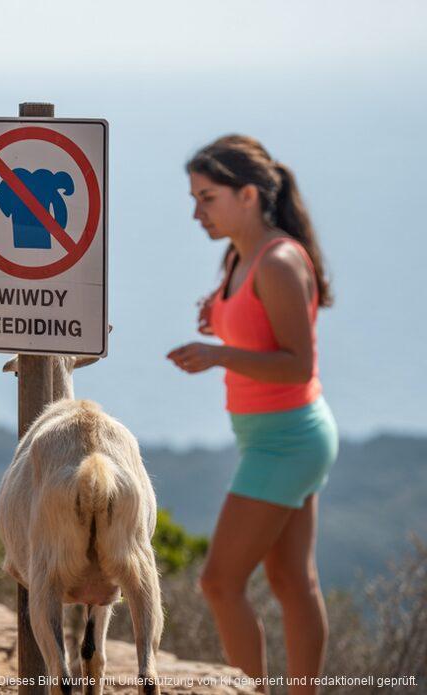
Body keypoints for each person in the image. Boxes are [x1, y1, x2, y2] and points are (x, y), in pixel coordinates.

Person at [167, 135, 337, 694]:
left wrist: (218, 354)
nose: (196, 212)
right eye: (194, 198)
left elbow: (295, 365)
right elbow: (257, 328)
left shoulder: (280, 260)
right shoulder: (240, 254)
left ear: (247, 195)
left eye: (207, 198)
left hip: (287, 441)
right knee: (291, 580)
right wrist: (215, 316)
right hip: (275, 436)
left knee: (219, 582)